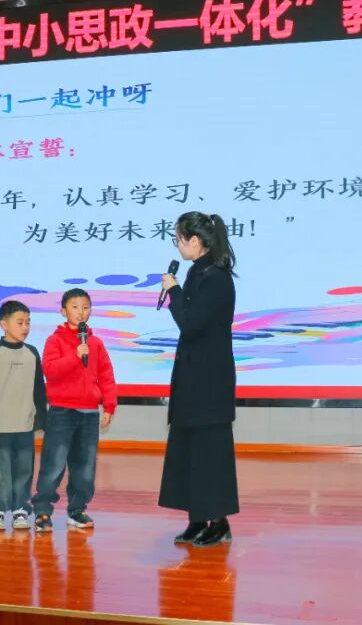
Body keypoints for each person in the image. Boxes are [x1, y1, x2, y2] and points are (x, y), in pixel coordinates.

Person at [159, 211, 239, 547]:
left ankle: (218, 522)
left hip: (209, 380)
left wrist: (174, 291)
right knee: (188, 449)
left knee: (210, 451)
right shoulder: (197, 272)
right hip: (191, 376)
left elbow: (191, 323)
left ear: (194, 240)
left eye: (178, 238)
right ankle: (197, 518)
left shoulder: (217, 278)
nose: (177, 245)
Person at [31, 288, 117, 533]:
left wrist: (109, 406)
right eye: (75, 307)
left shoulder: (96, 343)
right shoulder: (55, 340)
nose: (81, 312)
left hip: (89, 413)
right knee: (54, 464)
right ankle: (43, 511)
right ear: (63, 311)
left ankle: (77, 510)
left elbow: (106, 376)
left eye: (85, 307)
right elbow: (50, 370)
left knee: (85, 467)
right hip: (62, 412)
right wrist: (75, 356)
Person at [0, 300, 46, 531]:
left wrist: (41, 418)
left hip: (24, 425)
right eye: (20, 322)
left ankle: (20, 507)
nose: (25, 327)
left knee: (23, 470)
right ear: (4, 324)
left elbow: (39, 389)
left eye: (28, 322)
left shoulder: (32, 353)